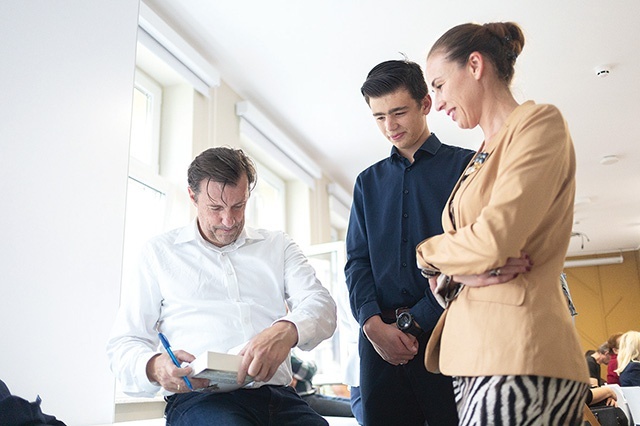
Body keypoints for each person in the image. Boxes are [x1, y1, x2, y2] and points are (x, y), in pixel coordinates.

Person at [415, 21, 590, 424]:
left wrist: (428, 252)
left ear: (475, 65)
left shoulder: (537, 124)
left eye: (439, 85)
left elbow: (492, 240)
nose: (437, 103)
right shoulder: (480, 153)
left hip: (520, 351)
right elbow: (471, 253)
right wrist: (459, 268)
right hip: (475, 354)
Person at [107, 147, 337, 426]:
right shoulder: (158, 254)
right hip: (201, 402)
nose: (229, 221)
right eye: (215, 208)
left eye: (238, 206)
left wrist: (286, 330)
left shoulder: (278, 246)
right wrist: (155, 367)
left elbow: (322, 305)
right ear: (193, 197)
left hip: (280, 399)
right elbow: (124, 343)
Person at [344, 59, 475, 426]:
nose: (390, 126)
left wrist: (416, 321)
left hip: (446, 333)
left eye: (399, 112)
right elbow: (357, 262)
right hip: (379, 345)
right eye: (379, 116)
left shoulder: (466, 169)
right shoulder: (366, 184)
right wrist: (370, 323)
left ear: (426, 104)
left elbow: (470, 255)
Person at [290, 352, 354, 418]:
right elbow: (308, 372)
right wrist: (311, 364)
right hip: (303, 399)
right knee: (354, 409)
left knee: (354, 403)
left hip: (310, 395)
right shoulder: (287, 356)